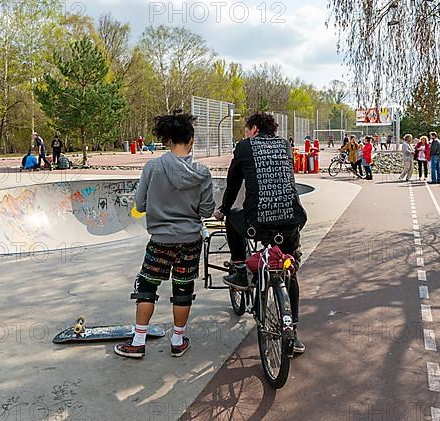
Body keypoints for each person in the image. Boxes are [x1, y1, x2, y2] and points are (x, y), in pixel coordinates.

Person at [114, 111, 215, 359]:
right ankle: (177, 340)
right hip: (190, 240)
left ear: (168, 139)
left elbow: (140, 203)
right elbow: (207, 210)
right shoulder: (203, 172)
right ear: (191, 139)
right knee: (183, 288)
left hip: (160, 240)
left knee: (147, 285)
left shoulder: (153, 167)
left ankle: (138, 342)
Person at [213, 112, 308, 353]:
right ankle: (293, 331)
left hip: (258, 223)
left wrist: (223, 209)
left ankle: (241, 270)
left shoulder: (245, 147)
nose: (245, 133)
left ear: (254, 129)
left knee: (232, 218)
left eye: (247, 129)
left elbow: (233, 183)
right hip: (291, 221)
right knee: (290, 269)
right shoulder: (285, 145)